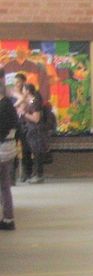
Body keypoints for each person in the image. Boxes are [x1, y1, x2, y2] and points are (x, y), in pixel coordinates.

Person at [18, 85, 50, 184]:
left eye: (23, 90)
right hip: (30, 130)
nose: (22, 91)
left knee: (37, 153)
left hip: (36, 131)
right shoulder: (30, 101)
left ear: (27, 91)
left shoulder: (35, 102)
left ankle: (39, 175)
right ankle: (34, 174)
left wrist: (24, 113)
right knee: (33, 153)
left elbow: (36, 119)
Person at [0, 69, 18, 229]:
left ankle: (7, 217)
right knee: (5, 185)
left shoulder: (2, 107)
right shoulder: (9, 105)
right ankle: (8, 218)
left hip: (2, 149)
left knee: (4, 186)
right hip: (9, 149)